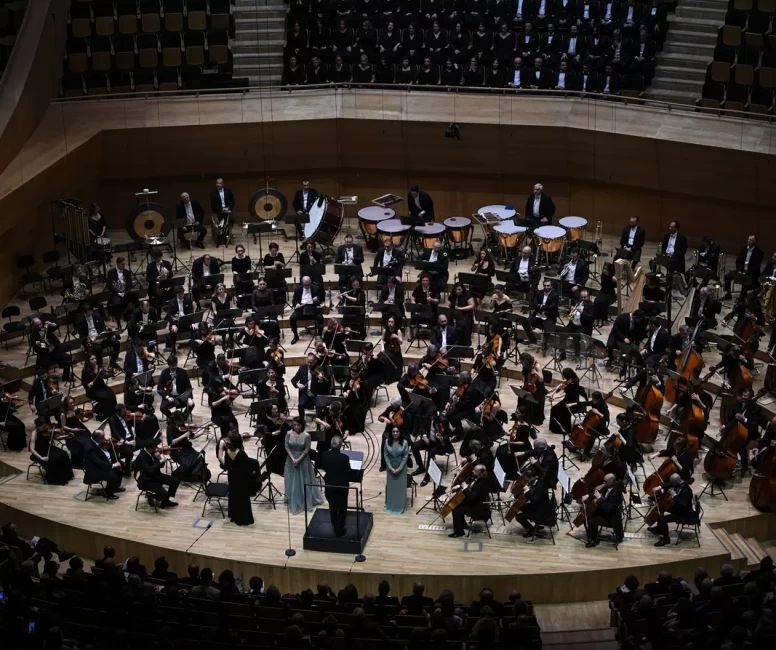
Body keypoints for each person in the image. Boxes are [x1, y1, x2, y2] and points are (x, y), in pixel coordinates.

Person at [284, 418, 324, 514]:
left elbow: (307, 449)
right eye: (294, 425)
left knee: (303, 480)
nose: (296, 427)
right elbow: (286, 446)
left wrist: (298, 459)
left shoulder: (307, 435)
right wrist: (293, 458)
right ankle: (293, 498)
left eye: (298, 425)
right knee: (292, 479)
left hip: (303, 460)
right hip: (291, 459)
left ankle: (304, 499)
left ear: (302, 425)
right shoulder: (289, 433)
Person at [648, 473, 696, 547]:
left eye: (673, 483)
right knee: (661, 509)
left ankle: (666, 539)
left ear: (677, 482)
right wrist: (659, 487)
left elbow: (683, 505)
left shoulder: (686, 490)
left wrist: (674, 495)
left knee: (662, 519)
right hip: (678, 508)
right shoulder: (678, 483)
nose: (671, 485)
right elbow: (669, 483)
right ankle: (659, 529)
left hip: (684, 513)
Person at [134, 439, 180, 508]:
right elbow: (149, 470)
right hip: (146, 480)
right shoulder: (142, 457)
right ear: (150, 449)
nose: (157, 449)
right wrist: (160, 461)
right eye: (155, 447)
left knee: (175, 481)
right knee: (163, 493)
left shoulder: (153, 453)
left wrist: (159, 458)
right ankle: (153, 496)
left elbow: (161, 466)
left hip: (156, 475)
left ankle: (165, 501)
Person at [322, 436, 353, 537]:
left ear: (331, 444)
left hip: (329, 484)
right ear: (340, 446)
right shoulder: (345, 458)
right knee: (342, 508)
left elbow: (324, 467)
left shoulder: (325, 455)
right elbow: (348, 472)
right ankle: (339, 529)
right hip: (341, 486)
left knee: (332, 507)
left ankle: (335, 526)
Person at [448, 464, 490, 538]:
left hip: (478, 508)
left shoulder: (482, 484)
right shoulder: (477, 478)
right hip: (474, 503)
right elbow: (470, 487)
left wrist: (465, 488)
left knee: (455, 510)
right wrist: (459, 486)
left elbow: (472, 497)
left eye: (475, 471)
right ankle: (462, 524)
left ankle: (459, 532)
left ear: (480, 473)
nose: (473, 471)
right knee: (457, 505)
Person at [29, 418, 74, 485]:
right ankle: (55, 479)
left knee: (64, 454)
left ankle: (66, 476)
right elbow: (32, 449)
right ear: (38, 426)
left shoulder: (47, 431)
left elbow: (56, 438)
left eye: (45, 426)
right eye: (43, 426)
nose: (45, 428)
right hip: (39, 451)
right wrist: (41, 458)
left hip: (48, 448)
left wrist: (67, 436)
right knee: (56, 458)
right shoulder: (34, 433)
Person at [511, 468, 554, 539]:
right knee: (518, 508)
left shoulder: (541, 486)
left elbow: (534, 499)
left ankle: (532, 530)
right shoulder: (536, 482)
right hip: (537, 506)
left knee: (518, 516)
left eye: (527, 479)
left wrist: (527, 490)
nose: (526, 481)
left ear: (534, 477)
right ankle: (534, 527)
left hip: (541, 511)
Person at [223, 432, 256, 526]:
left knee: (234, 497)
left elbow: (226, 466)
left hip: (232, 479)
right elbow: (247, 468)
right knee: (243, 499)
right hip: (242, 480)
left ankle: (234, 516)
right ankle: (243, 519)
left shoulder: (227, 452)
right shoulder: (242, 454)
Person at [584, 474, 624, 547]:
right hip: (607, 512)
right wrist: (589, 495)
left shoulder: (616, 493)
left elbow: (608, 509)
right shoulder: (609, 487)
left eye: (605, 481)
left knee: (590, 520)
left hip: (610, 518)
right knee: (589, 513)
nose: (603, 483)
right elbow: (598, 493)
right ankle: (592, 534)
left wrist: (599, 498)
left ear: (611, 482)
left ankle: (593, 540)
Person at [83, 429, 124, 498]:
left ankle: (114, 487)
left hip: (104, 463)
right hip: (95, 469)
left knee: (120, 469)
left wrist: (116, 446)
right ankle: (108, 494)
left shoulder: (98, 442)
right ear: (97, 438)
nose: (104, 440)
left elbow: (109, 452)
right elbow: (98, 462)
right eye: (102, 438)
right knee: (113, 476)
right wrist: (113, 465)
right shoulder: (89, 448)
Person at [519, 278, 559, 350]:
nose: (546, 287)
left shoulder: (555, 295)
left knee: (548, 327)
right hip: (538, 315)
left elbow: (552, 307)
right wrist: (541, 307)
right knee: (525, 321)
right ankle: (532, 339)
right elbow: (534, 304)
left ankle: (545, 343)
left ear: (551, 286)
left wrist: (541, 306)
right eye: (545, 286)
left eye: (548, 286)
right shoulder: (539, 292)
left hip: (549, 316)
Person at [30, 318, 73, 382]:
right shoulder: (33, 335)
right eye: (37, 325)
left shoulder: (46, 328)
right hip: (45, 355)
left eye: (40, 324)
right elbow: (36, 349)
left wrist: (51, 324)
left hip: (55, 351)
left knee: (68, 357)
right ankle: (46, 382)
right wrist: (37, 344)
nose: (39, 326)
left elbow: (56, 326)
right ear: (34, 326)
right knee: (44, 366)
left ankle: (66, 377)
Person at [724, 235, 764, 301]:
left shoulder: (759, 252)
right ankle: (728, 294)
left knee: (746, 281)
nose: (748, 241)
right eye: (748, 239)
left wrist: (747, 272)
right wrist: (739, 270)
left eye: (751, 240)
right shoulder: (744, 248)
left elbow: (756, 266)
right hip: (741, 270)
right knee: (727, 276)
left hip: (751, 273)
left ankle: (741, 299)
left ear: (755, 242)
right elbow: (738, 260)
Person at [291, 353, 330, 417]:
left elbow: (326, 385)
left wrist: (321, 380)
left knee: (319, 405)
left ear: (315, 362)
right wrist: (298, 384)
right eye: (308, 362)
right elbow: (293, 379)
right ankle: (302, 421)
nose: (309, 364)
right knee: (300, 405)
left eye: (311, 363)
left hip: (316, 394)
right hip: (305, 393)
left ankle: (318, 422)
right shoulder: (302, 368)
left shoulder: (320, 369)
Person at [560, 289, 594, 360]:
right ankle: (562, 354)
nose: (583, 299)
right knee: (562, 333)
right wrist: (571, 309)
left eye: (585, 297)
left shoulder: (591, 305)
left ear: (589, 297)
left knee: (577, 335)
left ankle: (577, 354)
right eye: (581, 297)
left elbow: (590, 318)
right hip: (573, 324)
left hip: (583, 326)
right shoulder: (576, 302)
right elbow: (570, 315)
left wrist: (582, 311)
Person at [548, 368, 585, 434]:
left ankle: (562, 429)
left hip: (572, 403)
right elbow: (562, 385)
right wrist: (553, 391)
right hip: (568, 399)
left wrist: (554, 398)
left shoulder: (573, 383)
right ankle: (554, 428)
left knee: (556, 410)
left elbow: (565, 394)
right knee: (554, 409)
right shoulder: (571, 380)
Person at [290, 276, 325, 344]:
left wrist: (317, 299)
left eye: (308, 284)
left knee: (320, 317)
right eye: (305, 285)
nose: (307, 286)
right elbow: (294, 300)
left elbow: (321, 299)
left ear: (310, 282)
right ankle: (296, 336)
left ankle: (319, 335)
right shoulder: (298, 289)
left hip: (312, 307)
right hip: (301, 308)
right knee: (292, 318)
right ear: (302, 283)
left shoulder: (316, 288)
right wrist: (297, 304)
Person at [81, 354, 118, 418]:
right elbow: (83, 382)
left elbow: (104, 376)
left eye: (95, 358)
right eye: (92, 359)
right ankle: (100, 411)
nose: (94, 360)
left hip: (102, 387)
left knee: (112, 395)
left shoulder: (99, 367)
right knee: (105, 398)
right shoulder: (85, 370)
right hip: (92, 390)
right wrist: (88, 384)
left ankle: (113, 412)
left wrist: (109, 373)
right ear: (88, 361)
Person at [384, 426, 409, 514]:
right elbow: (386, 455)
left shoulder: (405, 442)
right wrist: (390, 468)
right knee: (391, 488)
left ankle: (400, 506)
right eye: (393, 431)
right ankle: (390, 505)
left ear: (400, 432)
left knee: (400, 488)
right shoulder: (387, 442)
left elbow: (405, 456)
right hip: (390, 468)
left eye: (397, 431)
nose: (395, 433)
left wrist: (399, 469)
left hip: (401, 468)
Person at [165, 285, 194, 351]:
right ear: (176, 294)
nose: (181, 295)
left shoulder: (188, 300)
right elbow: (169, 315)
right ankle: (173, 349)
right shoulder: (171, 302)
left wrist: (192, 323)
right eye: (179, 294)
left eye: (182, 293)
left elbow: (191, 312)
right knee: (172, 332)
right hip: (176, 321)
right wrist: (173, 325)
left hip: (185, 320)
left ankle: (193, 345)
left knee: (195, 329)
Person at [0, 383, 27, 451]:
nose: (3, 393)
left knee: (22, 425)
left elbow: (12, 408)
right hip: (1, 421)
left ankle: (19, 444)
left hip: (7, 416)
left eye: (3, 391)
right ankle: (13, 446)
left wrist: (21, 404)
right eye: (1, 392)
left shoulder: (4, 399)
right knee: (17, 426)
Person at [210, 177, 235, 246]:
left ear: (223, 184)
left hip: (228, 210)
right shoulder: (213, 194)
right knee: (217, 223)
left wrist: (228, 208)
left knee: (231, 219)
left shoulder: (228, 191)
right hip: (218, 211)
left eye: (220, 183)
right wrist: (222, 209)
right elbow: (213, 206)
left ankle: (227, 234)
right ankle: (220, 237)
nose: (218, 184)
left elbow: (232, 202)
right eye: (217, 183)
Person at [594, 262, 617, 326]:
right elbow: (603, 286)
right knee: (596, 300)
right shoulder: (603, 276)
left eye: (606, 269)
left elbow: (617, 286)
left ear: (609, 270)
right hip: (603, 292)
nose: (604, 270)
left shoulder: (613, 277)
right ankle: (596, 318)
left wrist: (616, 281)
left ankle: (602, 319)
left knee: (603, 302)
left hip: (611, 294)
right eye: (604, 269)